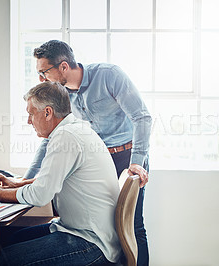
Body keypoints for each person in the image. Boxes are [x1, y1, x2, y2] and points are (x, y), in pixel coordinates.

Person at [0, 81, 121, 265]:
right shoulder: (75, 129)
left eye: (31, 114)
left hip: (91, 243)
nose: (28, 121)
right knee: (6, 241)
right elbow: (53, 181)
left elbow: (40, 195)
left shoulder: (65, 136)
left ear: (48, 112)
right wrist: (18, 184)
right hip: (83, 232)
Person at [31, 40, 152, 265]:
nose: (42, 79)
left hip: (128, 158)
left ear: (64, 67)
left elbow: (142, 117)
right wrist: (29, 178)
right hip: (101, 162)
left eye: (44, 72)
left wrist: (137, 162)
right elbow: (51, 136)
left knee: (133, 227)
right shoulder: (63, 96)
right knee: (107, 228)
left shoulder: (109, 75)